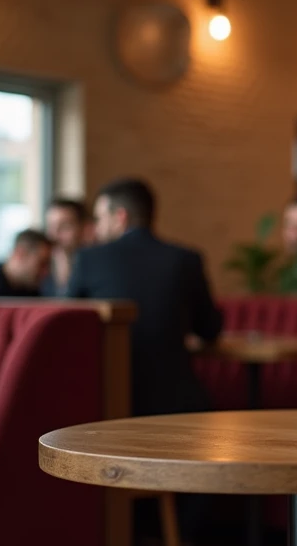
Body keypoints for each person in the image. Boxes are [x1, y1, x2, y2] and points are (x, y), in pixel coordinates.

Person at [67, 178, 223, 416]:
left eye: (99, 219)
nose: (96, 228)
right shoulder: (186, 259)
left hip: (107, 401)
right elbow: (210, 329)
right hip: (176, 403)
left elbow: (68, 328)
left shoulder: (88, 260)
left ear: (120, 216)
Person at [41, 197, 88, 296]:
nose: (54, 234)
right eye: (50, 226)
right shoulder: (40, 267)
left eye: (64, 226)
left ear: (83, 228)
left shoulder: (95, 266)